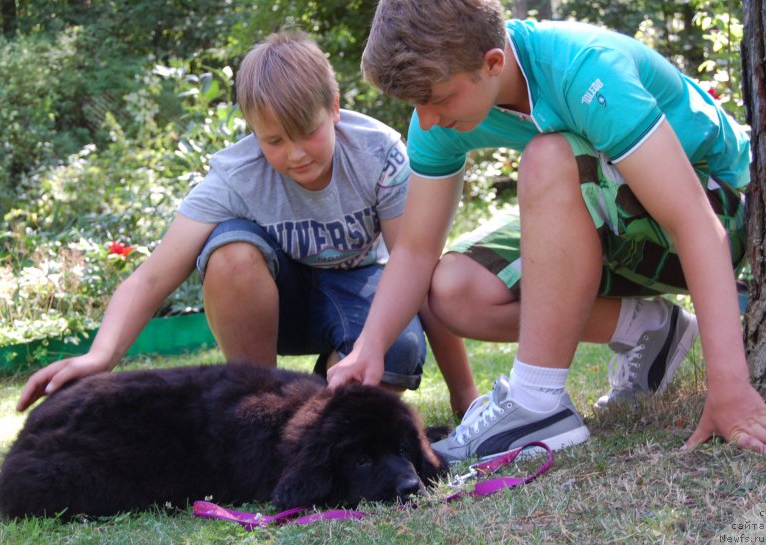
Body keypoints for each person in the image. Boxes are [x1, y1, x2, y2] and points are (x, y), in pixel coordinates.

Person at [327, 0, 766, 459]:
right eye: (418, 104)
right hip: (621, 226)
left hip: (724, 211)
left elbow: (694, 221)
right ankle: (653, 330)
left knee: (548, 156)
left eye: (437, 99)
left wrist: (730, 387)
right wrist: (368, 346)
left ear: (493, 63)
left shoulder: (583, 70)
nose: (428, 120)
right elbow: (415, 250)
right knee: (454, 290)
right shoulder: (440, 112)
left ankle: (537, 403)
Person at [16, 31, 472, 413]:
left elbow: (417, 269)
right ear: (252, 129)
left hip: (360, 291)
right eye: (273, 140)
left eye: (307, 133)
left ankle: (323, 397)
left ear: (333, 108)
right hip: (278, 305)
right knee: (229, 253)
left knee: (395, 352)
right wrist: (101, 355)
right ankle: (260, 406)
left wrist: (463, 394)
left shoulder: (380, 155)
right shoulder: (235, 176)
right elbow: (151, 277)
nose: (295, 154)